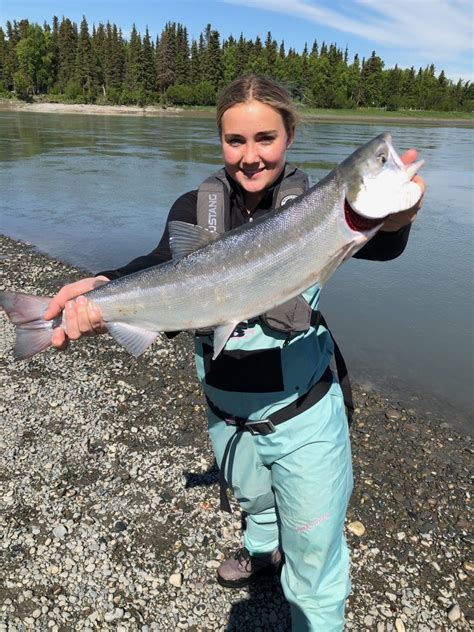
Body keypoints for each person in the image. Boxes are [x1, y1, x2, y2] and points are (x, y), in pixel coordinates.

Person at [44, 75, 425, 631]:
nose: (250, 157)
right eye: (235, 141)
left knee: (315, 551)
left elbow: (383, 243)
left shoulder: (319, 207)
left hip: (303, 409)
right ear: (220, 140)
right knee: (255, 499)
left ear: (290, 136)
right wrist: (99, 295)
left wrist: (398, 214)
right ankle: (264, 552)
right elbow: (161, 272)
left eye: (265, 138)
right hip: (226, 408)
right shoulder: (195, 207)